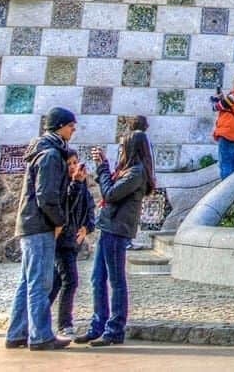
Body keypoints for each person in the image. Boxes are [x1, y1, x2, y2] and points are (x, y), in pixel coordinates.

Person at [6, 107, 75, 350]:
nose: (73, 130)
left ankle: (17, 333)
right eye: (70, 126)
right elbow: (46, 195)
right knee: (40, 283)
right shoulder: (50, 155)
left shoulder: (43, 151)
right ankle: (40, 336)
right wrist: (58, 221)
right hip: (40, 225)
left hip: (30, 224)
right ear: (59, 127)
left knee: (27, 281)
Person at [82, 130, 153, 347]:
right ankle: (98, 325)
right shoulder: (128, 171)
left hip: (117, 229)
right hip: (108, 227)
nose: (120, 150)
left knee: (116, 280)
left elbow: (110, 194)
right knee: (97, 279)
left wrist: (102, 168)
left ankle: (114, 329)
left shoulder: (136, 173)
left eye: (123, 146)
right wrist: (104, 167)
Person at [48, 150, 94, 338]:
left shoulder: (83, 187)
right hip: (62, 241)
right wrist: (75, 182)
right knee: (70, 281)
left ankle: (36, 319)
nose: (74, 166)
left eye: (76, 162)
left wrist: (86, 228)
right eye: (70, 163)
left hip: (73, 241)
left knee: (57, 282)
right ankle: (64, 324)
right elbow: (68, 205)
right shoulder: (64, 186)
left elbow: (89, 209)